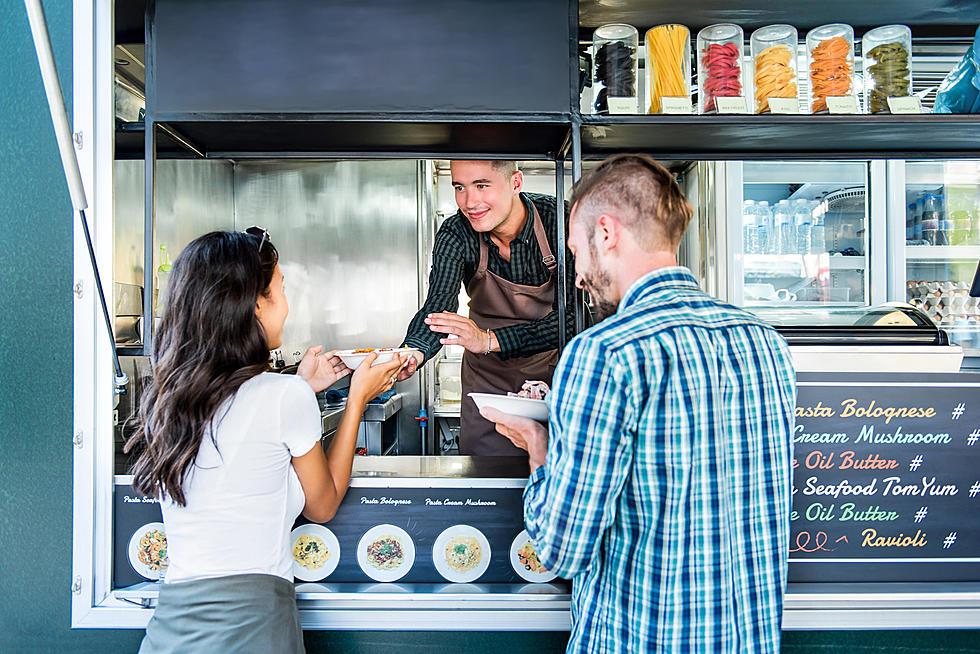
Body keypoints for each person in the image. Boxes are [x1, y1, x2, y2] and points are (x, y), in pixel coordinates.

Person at [481, 154, 796, 653]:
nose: (578, 275)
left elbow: (561, 549)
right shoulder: (766, 343)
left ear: (605, 233)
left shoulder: (605, 352)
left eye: (576, 251)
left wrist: (541, 447)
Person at [126, 229, 406, 654]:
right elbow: (323, 505)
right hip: (253, 630)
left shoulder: (167, 399)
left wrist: (300, 387)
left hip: (171, 630)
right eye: (281, 290)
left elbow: (247, 435)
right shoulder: (281, 396)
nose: (286, 305)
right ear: (256, 305)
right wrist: (357, 401)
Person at [397, 160, 575, 455]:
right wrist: (411, 353)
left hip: (553, 380)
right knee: (483, 479)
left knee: (554, 467)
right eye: (459, 187)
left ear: (516, 183)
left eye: (481, 186)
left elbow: (573, 320)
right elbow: (439, 306)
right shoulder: (457, 232)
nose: (470, 202)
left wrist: (489, 340)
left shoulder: (561, 221)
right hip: (486, 384)